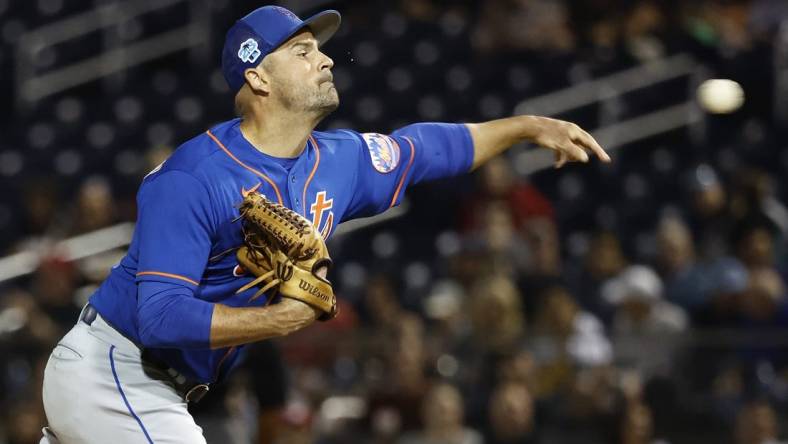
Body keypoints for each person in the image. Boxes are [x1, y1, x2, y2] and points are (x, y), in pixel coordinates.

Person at [39, 5, 610, 444]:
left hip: (157, 387)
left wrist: (526, 125)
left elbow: (426, 147)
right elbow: (160, 317)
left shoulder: (336, 161)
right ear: (258, 78)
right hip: (114, 371)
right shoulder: (193, 177)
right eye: (304, 51)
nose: (327, 59)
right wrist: (279, 320)